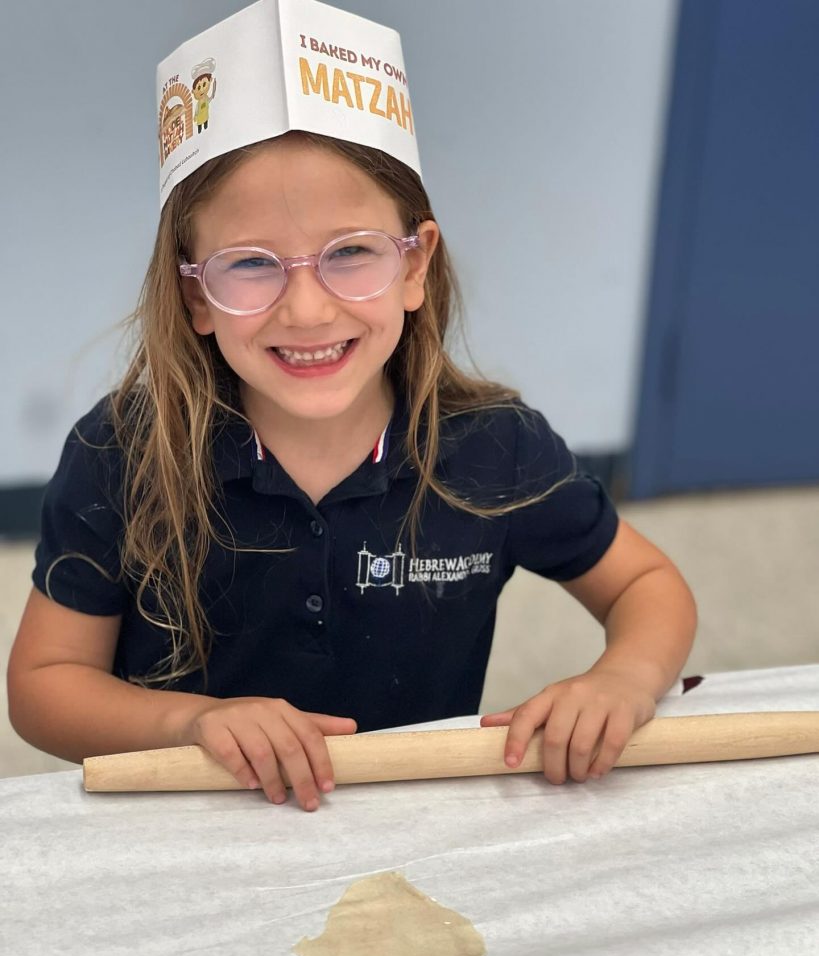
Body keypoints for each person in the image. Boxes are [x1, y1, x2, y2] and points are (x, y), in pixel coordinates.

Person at [8, 16, 696, 816]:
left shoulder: (493, 448)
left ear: (415, 263)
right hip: (187, 840)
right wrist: (190, 722)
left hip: (410, 838)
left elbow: (646, 584)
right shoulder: (122, 451)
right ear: (195, 292)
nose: (305, 309)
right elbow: (43, 686)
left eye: (351, 252)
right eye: (251, 265)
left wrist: (623, 678)